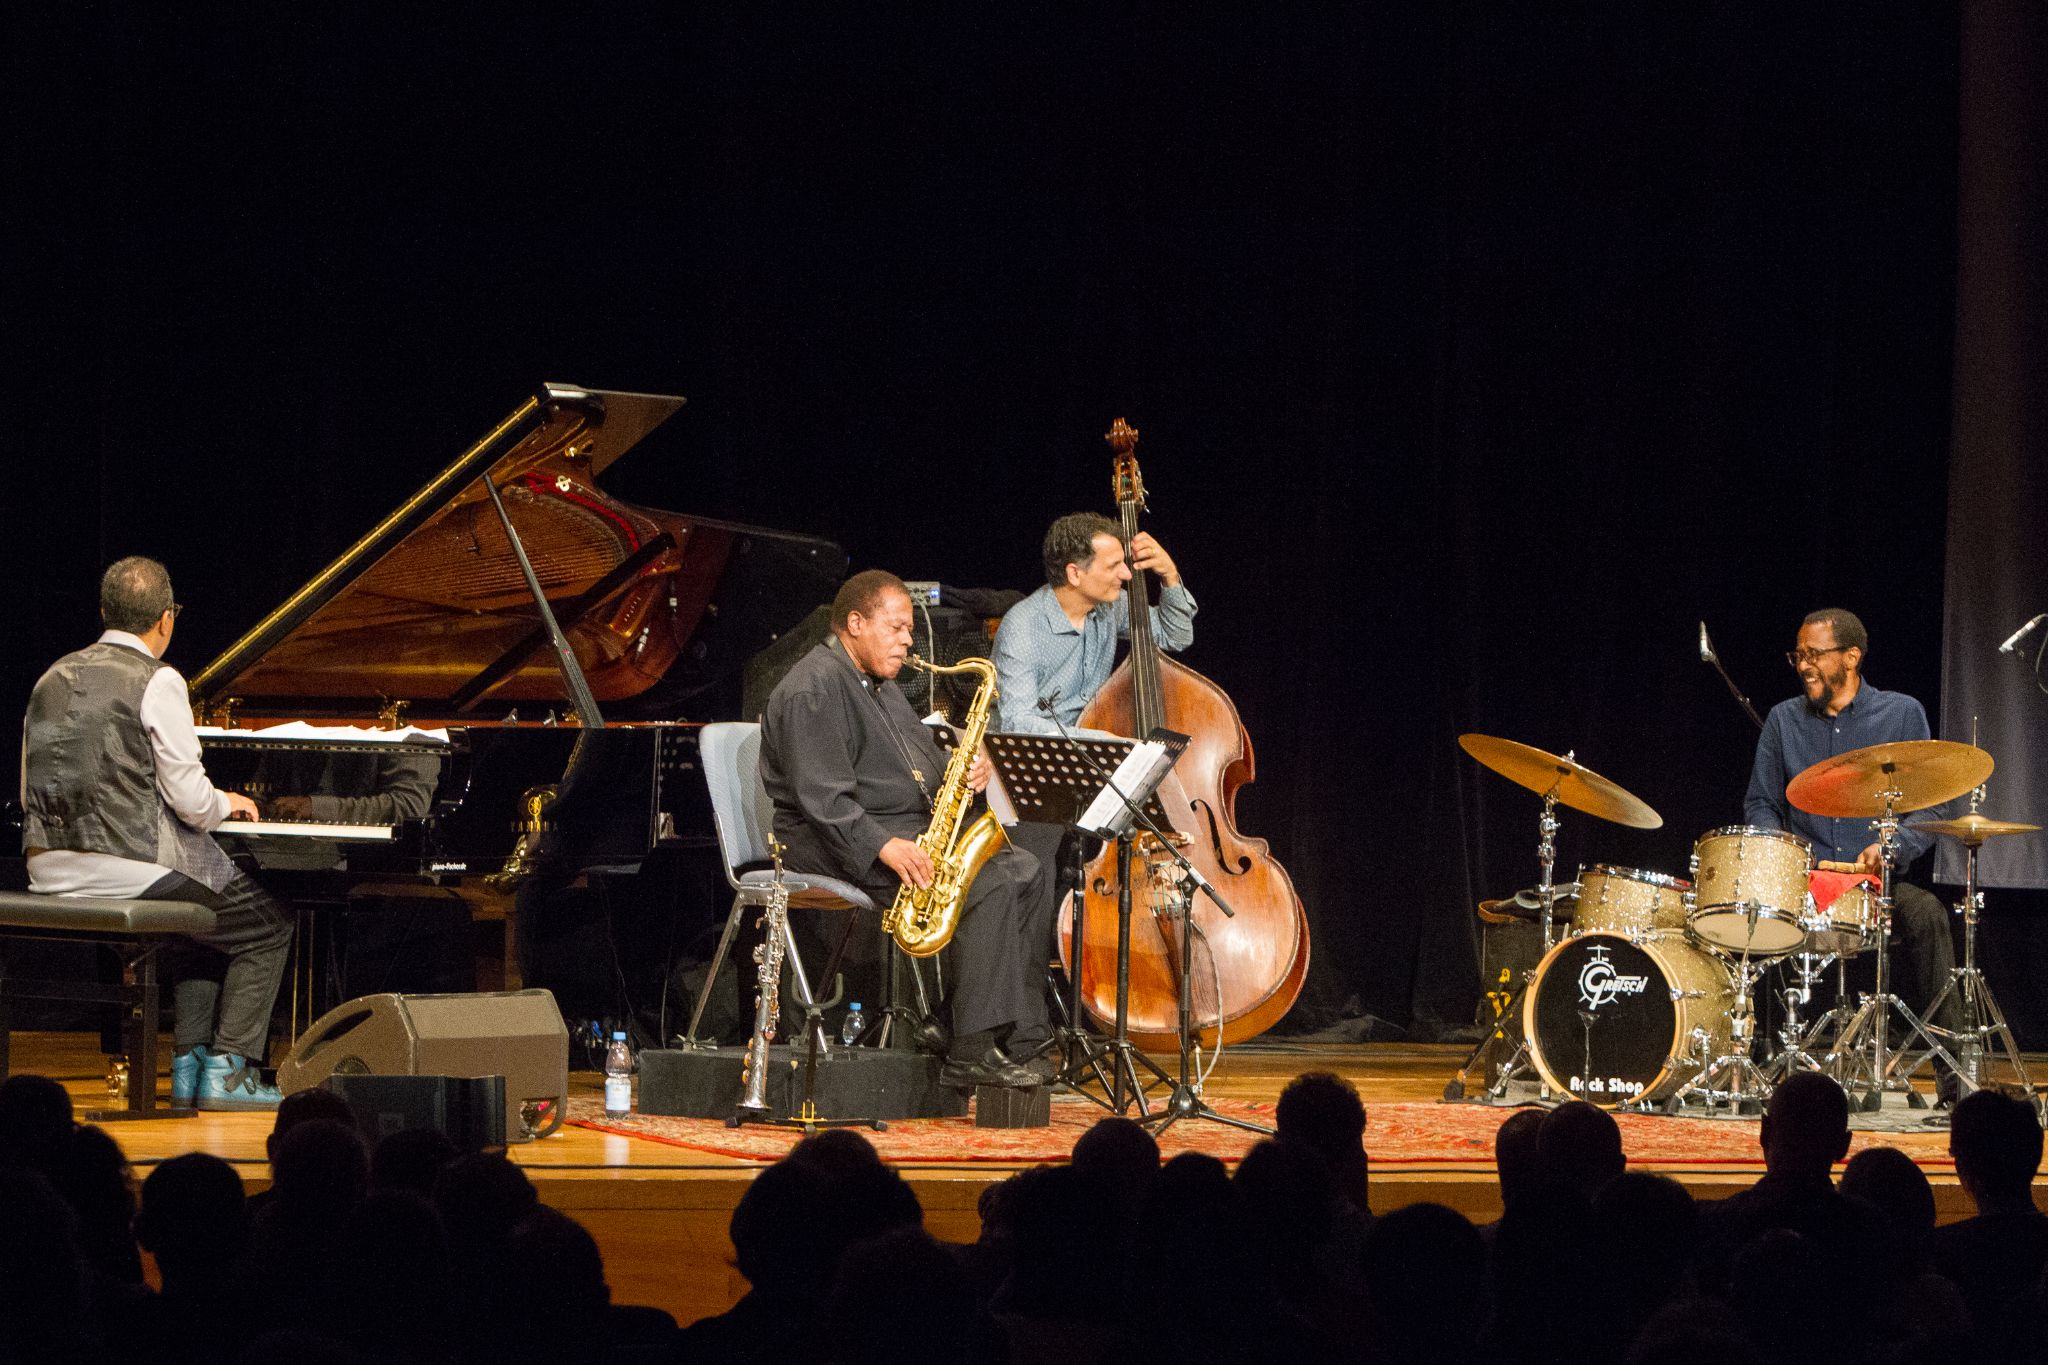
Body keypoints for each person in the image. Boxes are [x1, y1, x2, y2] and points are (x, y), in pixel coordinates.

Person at [760, 569, 1055, 1089]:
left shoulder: (878, 684)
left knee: (1025, 867)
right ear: (855, 623)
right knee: (991, 881)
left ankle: (966, 1024)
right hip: (827, 845)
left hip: (898, 828)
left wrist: (966, 774)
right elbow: (824, 801)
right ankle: (970, 1050)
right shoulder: (813, 688)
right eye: (896, 628)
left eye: (909, 630)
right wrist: (883, 845)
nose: (908, 641)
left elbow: (918, 765)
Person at [19, 557, 291, 1110]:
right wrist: (228, 803)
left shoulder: (51, 675)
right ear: (166, 619)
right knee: (267, 928)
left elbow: (30, 784)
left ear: (103, 613)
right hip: (128, 864)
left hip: (45, 862)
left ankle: (190, 1065)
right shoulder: (159, 679)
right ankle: (229, 1073)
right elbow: (192, 804)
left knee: (205, 922)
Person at [1741, 608, 1959, 1071]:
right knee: (1743, 912)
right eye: (1797, 655)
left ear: (1852, 657)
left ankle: (1953, 1078)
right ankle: (1752, 1059)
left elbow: (1931, 806)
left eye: (1814, 654)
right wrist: (1778, 855)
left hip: (1876, 884)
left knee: (1929, 916)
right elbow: (1761, 802)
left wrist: (1891, 846)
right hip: (1807, 881)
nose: (1803, 665)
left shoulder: (1901, 713)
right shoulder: (1784, 720)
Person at [991, 511, 1195, 736]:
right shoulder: (1022, 629)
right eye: (1113, 566)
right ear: (1075, 574)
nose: (1127, 574)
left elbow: (1175, 635)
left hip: (1091, 750)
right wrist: (1104, 742)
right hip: (1033, 757)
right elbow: (1018, 724)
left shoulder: (1111, 607)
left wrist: (1170, 575)